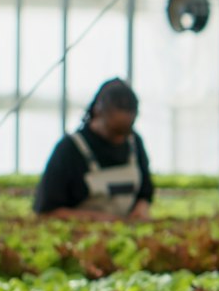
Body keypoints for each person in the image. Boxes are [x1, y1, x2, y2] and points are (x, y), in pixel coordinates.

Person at [34, 78, 154, 223]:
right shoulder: (70, 149)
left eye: (125, 131)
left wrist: (141, 209)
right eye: (114, 131)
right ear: (98, 112)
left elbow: (145, 193)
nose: (120, 139)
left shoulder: (134, 142)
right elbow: (47, 211)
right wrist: (98, 219)